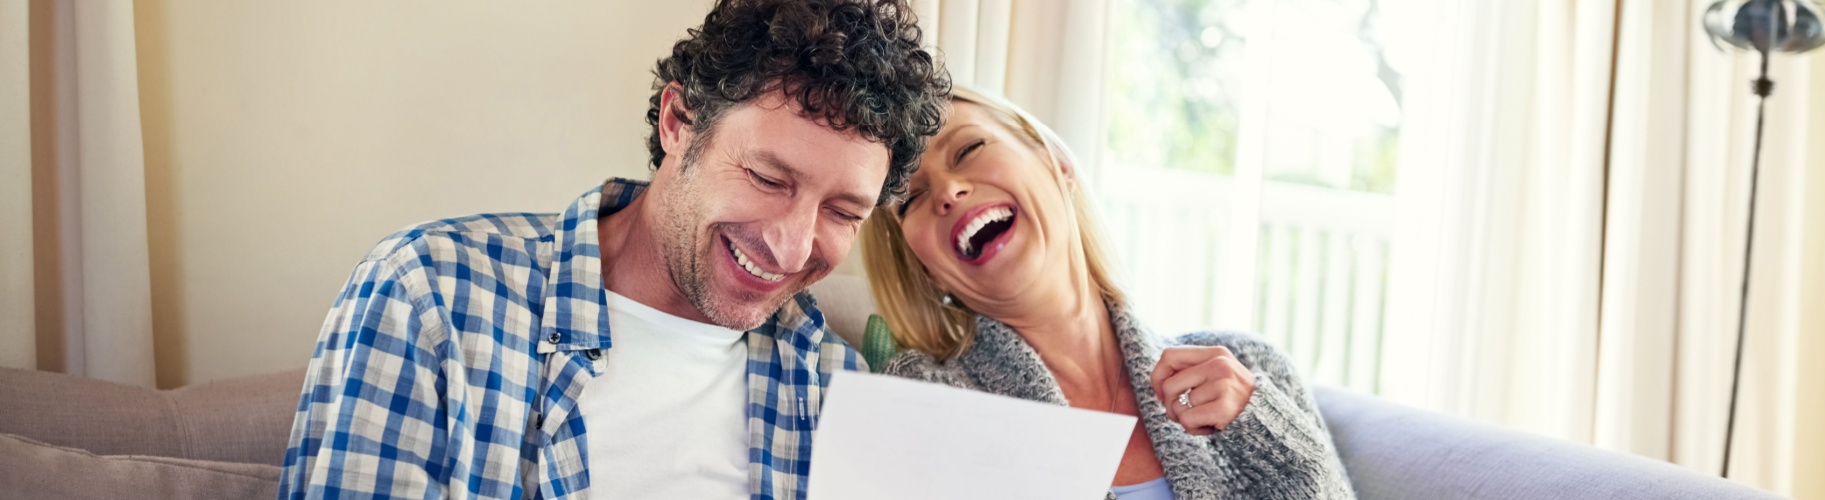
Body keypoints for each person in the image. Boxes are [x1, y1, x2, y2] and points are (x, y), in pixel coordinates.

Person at [277, 1, 949, 498]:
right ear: (679, 122)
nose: (791, 245)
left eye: (841, 211)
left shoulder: (837, 382)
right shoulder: (430, 295)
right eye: (768, 179)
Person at [860, 86, 1355, 499]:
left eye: (967, 150)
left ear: (1058, 164)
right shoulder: (927, 400)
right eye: (912, 199)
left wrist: (1263, 428)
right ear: (928, 272)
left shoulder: (1250, 368)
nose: (947, 191)